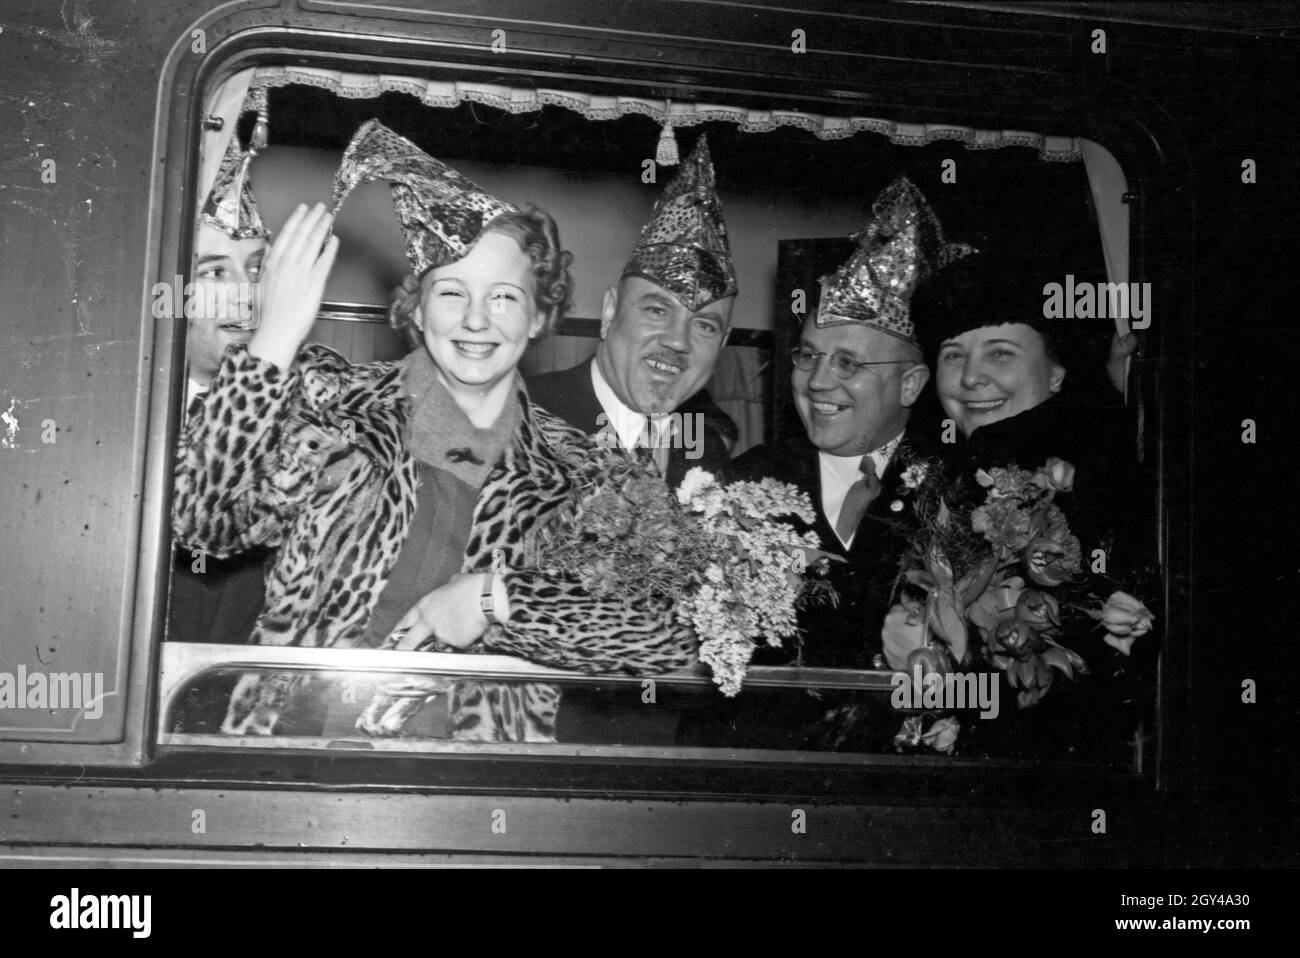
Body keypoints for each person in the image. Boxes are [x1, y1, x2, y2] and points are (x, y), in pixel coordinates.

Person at [172, 120, 696, 741]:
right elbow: (201, 519)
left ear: (539, 316)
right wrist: (275, 340)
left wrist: (496, 601)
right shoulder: (333, 404)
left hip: (477, 783)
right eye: (452, 293)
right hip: (297, 754)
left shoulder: (586, 469)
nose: (477, 320)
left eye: (504, 297)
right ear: (416, 309)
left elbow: (673, 639)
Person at [677, 177, 969, 749]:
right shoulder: (746, 481)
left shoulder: (958, 492)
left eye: (848, 363)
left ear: (911, 383)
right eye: (808, 355)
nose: (817, 381)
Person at [902, 249, 1159, 760]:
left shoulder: (1100, 477)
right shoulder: (934, 473)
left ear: (1058, 373)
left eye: (1000, 353)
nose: (971, 377)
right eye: (954, 354)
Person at [526, 136, 736, 488]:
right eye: (657, 309)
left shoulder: (707, 451)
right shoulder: (526, 415)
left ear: (724, 342)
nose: (677, 341)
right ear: (609, 312)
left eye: (704, 326)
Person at [168, 134, 269, 652]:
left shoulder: (303, 416)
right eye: (214, 272)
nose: (244, 295)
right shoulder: (114, 411)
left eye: (254, 268)